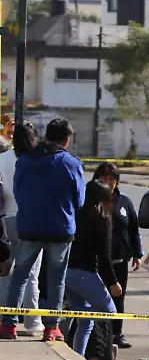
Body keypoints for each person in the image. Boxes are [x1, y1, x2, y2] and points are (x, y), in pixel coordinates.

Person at [1, 118, 86, 342]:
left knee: (20, 275)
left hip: (29, 226)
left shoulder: (26, 160)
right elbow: (79, 201)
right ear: (66, 141)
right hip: (61, 229)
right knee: (56, 278)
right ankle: (51, 328)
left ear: (46, 135)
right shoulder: (71, 163)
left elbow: (18, 192)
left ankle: (9, 325)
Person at [63, 180, 122, 360]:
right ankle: (101, 353)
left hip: (67, 272)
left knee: (85, 319)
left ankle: (77, 358)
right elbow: (104, 255)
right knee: (108, 310)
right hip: (84, 272)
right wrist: (113, 282)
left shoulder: (75, 213)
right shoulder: (102, 217)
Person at [0, 118, 44, 337]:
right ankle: (33, 321)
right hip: (30, 220)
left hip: (4, 219)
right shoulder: (36, 161)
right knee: (31, 273)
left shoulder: (1, 159)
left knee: (5, 271)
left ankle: (5, 318)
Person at [93, 163, 141, 348]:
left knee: (118, 298)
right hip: (96, 262)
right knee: (99, 300)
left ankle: (116, 334)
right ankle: (98, 337)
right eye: (104, 178)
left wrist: (137, 253)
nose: (109, 182)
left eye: (112, 179)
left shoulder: (125, 202)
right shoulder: (90, 201)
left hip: (120, 260)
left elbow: (133, 229)